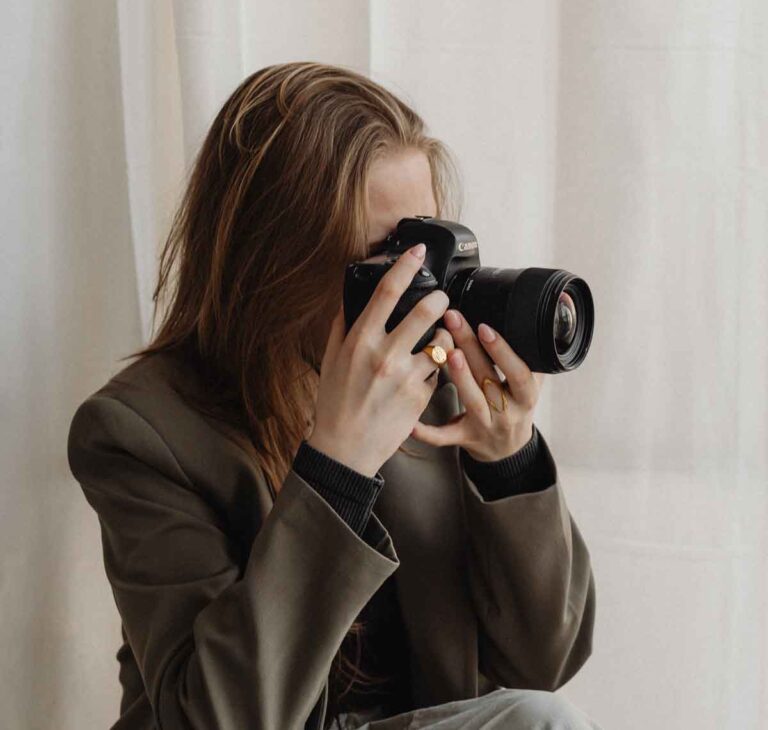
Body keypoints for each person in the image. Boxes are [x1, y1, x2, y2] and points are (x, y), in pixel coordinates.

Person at [67, 61, 601, 730]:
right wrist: (336, 466)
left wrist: (508, 461)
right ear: (273, 264)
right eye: (392, 256)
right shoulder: (142, 429)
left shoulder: (427, 387)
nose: (422, 285)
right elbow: (219, 719)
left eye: (430, 243)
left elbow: (540, 662)